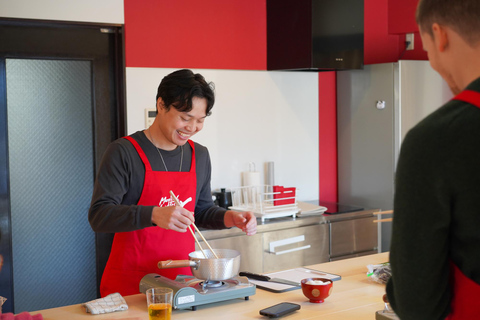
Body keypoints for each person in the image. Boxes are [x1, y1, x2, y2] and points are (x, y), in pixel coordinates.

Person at [88, 69, 257, 297]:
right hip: (131, 285)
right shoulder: (124, 152)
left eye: (200, 120)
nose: (192, 127)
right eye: (185, 117)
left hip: (182, 282)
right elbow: (100, 216)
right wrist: (155, 214)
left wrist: (231, 218)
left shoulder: (200, 155)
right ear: (161, 105)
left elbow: (202, 211)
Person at [385, 0, 480, 319]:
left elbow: (418, 302)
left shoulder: (437, 140)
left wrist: (395, 289)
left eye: (427, 49)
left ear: (439, 36)